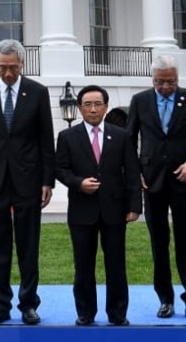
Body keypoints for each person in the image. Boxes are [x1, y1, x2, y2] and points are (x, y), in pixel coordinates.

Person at [0, 39, 55, 325]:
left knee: (28, 245)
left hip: (28, 180)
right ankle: (0, 303)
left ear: (22, 64)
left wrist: (47, 180)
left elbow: (46, 140)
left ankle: (28, 303)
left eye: (13, 67)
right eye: (3, 67)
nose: (8, 73)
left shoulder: (38, 93)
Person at [55, 85, 141, 326]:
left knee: (116, 265)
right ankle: (85, 312)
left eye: (97, 104)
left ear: (105, 106)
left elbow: (132, 172)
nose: (93, 109)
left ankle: (117, 313)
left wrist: (134, 205)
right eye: (87, 105)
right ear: (80, 108)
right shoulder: (67, 137)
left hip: (114, 210)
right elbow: (60, 169)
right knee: (83, 266)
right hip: (82, 210)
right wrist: (78, 182)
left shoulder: (121, 135)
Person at [126, 55, 186, 321]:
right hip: (152, 182)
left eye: (170, 81)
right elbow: (129, 141)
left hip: (184, 182)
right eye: (160, 82)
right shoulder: (140, 101)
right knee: (159, 242)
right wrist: (135, 174)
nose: (165, 87)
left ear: (177, 78)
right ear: (152, 79)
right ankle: (165, 299)